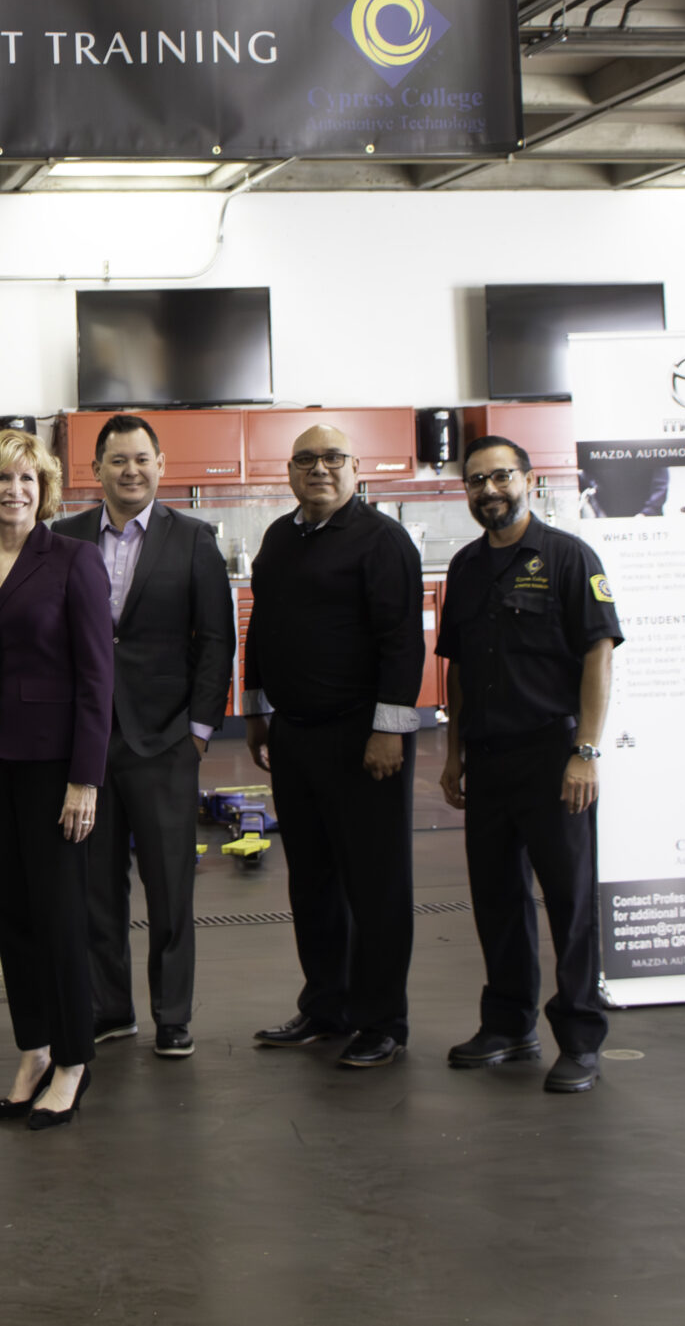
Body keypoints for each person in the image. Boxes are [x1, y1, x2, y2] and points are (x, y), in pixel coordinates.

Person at [438, 436, 623, 1094]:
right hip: (487, 759)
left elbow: (599, 654)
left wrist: (587, 752)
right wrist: (454, 752)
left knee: (570, 900)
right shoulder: (463, 568)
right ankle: (510, 1023)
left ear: (528, 479)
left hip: (554, 758)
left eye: (500, 476)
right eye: (476, 480)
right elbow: (456, 667)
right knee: (497, 898)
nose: (488, 489)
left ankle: (580, 1038)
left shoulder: (570, 556)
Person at [241, 424, 425, 1069]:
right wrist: (257, 712)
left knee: (375, 885)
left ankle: (383, 1021)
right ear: (290, 471)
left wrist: (389, 731)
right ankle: (327, 1006)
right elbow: (260, 628)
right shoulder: (280, 537)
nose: (319, 469)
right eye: (306, 460)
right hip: (295, 736)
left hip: (362, 739)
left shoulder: (382, 540)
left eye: (332, 458)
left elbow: (404, 641)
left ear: (355, 468)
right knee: (312, 882)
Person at [52, 414, 234, 1058]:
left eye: (141, 459)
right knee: (96, 888)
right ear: (95, 469)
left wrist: (200, 731)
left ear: (161, 464)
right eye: (117, 460)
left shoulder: (193, 539)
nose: (130, 471)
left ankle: (173, 1015)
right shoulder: (64, 537)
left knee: (169, 888)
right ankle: (111, 1008)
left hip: (165, 741)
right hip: (87, 742)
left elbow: (216, 639)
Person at [0, 428, 114, 1130]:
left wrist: (85, 780)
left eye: (27, 479)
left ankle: (74, 1060)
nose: (14, 490)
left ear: (43, 488)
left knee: (58, 916)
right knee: (9, 915)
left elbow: (97, 677)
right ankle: (34, 1047)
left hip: (52, 767)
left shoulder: (75, 561)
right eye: (2, 479)